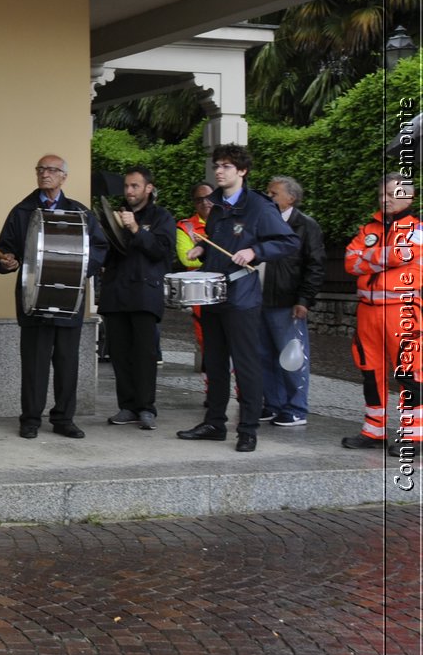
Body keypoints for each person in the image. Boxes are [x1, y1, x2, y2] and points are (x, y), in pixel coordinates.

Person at [176, 144, 298, 453]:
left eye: (227, 166)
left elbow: (287, 241)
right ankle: (215, 423)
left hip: (242, 296)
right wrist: (202, 249)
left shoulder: (259, 206)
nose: (219, 170)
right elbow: (219, 242)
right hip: (213, 294)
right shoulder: (216, 207)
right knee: (214, 362)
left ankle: (248, 429)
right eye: (217, 165)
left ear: (241, 171)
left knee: (246, 365)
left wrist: (256, 251)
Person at [0, 154, 108, 439]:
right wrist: (6, 262)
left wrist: (78, 270)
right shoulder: (22, 211)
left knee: (67, 362)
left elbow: (100, 248)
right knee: (34, 363)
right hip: (33, 300)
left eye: (52, 170)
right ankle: (30, 419)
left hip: (69, 299)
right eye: (41, 169)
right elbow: (5, 251)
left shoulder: (80, 213)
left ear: (64, 176)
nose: (45, 174)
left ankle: (63, 419)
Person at [340, 173, 419, 457]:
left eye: (392, 195)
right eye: (382, 195)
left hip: (403, 311)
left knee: (410, 375)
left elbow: (401, 255)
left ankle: (415, 437)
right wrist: (380, 258)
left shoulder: (417, 228)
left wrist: (368, 258)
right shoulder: (369, 227)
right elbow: (349, 261)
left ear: (409, 197)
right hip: (367, 313)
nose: (385, 199)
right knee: (371, 374)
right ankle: (374, 431)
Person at [99, 167, 177, 431]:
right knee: (119, 354)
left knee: (145, 354)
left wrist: (135, 229)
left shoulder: (162, 217)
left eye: (135, 186)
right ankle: (127, 406)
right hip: (116, 293)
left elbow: (163, 251)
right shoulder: (116, 215)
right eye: (127, 186)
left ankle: (146, 408)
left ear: (148, 188)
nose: (129, 191)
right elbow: (106, 252)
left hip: (145, 294)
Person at [259, 176, 324, 428]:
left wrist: (304, 299)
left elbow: (315, 266)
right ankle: (273, 403)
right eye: (268, 192)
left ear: (291, 198)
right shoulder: (264, 223)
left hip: (287, 301)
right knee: (264, 355)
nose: (269, 197)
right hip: (261, 298)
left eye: (274, 193)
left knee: (292, 356)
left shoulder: (306, 225)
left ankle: (296, 407)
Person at [175, 182, 214, 371]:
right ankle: (212, 392)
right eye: (199, 200)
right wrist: (216, 261)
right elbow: (186, 259)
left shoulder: (230, 222)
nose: (205, 203)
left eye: (209, 198)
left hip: (230, 289)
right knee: (205, 341)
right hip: (200, 293)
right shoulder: (185, 227)